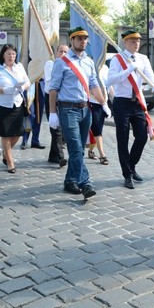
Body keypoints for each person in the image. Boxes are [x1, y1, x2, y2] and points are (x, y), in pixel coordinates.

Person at [48, 27, 108, 199]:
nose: (83, 41)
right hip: (68, 110)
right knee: (75, 149)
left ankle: (69, 181)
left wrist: (104, 104)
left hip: (85, 109)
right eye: (79, 38)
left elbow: (93, 84)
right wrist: (53, 113)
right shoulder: (62, 62)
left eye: (85, 38)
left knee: (79, 150)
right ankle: (85, 183)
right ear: (72, 41)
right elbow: (53, 89)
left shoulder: (88, 61)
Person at [107, 29, 154, 189]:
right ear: (125, 42)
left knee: (142, 136)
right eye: (132, 41)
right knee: (122, 138)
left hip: (137, 101)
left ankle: (131, 165)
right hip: (122, 102)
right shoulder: (118, 59)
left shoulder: (143, 58)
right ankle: (127, 174)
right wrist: (128, 70)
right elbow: (110, 80)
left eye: (138, 41)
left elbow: (150, 75)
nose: (136, 43)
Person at [0, 44, 30, 173]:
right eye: (8, 54)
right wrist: (5, 90)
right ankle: (10, 162)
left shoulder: (19, 67)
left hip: (17, 103)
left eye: (13, 54)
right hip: (2, 104)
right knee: (5, 133)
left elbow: (27, 81)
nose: (11, 56)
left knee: (18, 133)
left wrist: (23, 87)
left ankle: (6, 152)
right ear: (3, 55)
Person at [43, 44, 68, 167]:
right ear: (56, 52)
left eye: (65, 52)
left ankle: (53, 155)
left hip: (63, 98)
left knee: (60, 128)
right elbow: (52, 80)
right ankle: (60, 156)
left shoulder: (69, 65)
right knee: (55, 128)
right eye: (61, 51)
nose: (63, 54)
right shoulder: (50, 64)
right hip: (51, 97)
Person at [87, 62, 111, 164]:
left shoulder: (105, 68)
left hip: (103, 102)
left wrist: (112, 102)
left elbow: (108, 85)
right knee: (95, 127)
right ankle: (102, 154)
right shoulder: (89, 66)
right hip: (91, 101)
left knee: (99, 128)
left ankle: (91, 150)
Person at [20, 79, 46, 150]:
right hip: (29, 85)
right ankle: (24, 140)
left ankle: (35, 140)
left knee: (39, 116)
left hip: (41, 86)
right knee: (30, 115)